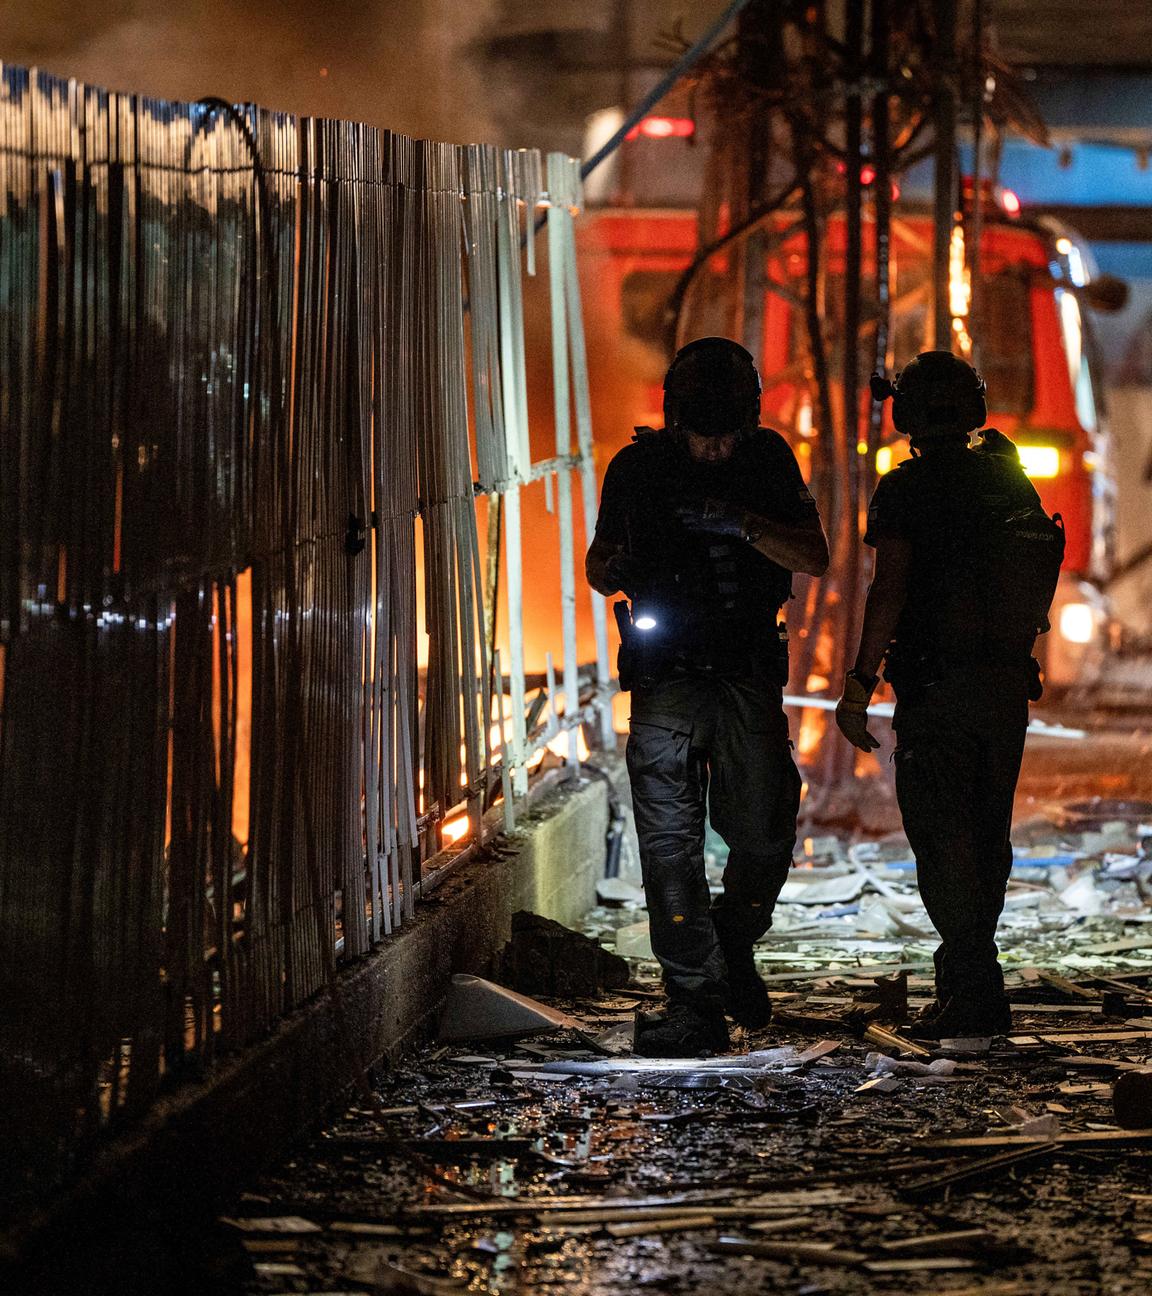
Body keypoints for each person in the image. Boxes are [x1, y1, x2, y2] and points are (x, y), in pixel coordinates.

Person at [586, 337, 829, 1056]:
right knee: (669, 846)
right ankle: (693, 998)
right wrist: (626, 559)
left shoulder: (768, 461)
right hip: (665, 682)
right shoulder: (636, 468)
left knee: (763, 830)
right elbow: (600, 569)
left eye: (728, 433)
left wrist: (743, 523)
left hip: (747, 676)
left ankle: (730, 943)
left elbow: (814, 555)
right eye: (704, 433)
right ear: (677, 419)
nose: (716, 448)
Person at [835, 351, 1063, 1040]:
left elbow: (890, 588)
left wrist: (858, 683)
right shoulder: (1009, 480)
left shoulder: (905, 490)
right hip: (1001, 687)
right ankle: (971, 981)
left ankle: (971, 991)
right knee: (987, 834)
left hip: (936, 689)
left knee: (942, 835)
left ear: (904, 413)